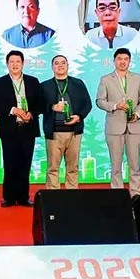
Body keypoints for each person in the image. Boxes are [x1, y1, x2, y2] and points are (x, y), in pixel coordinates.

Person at [0, 50, 44, 207]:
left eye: (18, 62)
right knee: (10, 163)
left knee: (25, 163)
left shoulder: (33, 81)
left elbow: (40, 103)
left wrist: (31, 113)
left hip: (28, 127)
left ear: (23, 63)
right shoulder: (0, 82)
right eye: (12, 62)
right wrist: (14, 110)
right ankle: (8, 197)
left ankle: (23, 197)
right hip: (9, 128)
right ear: (7, 64)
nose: (15, 64)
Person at [95, 47, 140, 200]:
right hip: (114, 128)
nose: (122, 62)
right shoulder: (106, 79)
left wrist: (137, 114)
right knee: (116, 165)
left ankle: (136, 195)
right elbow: (100, 101)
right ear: (114, 61)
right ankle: (117, 195)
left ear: (130, 61)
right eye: (119, 59)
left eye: (126, 59)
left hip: (134, 127)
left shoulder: (138, 78)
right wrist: (115, 106)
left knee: (135, 164)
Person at [40, 55, 92, 190]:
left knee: (73, 167)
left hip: (75, 132)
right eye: (56, 63)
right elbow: (38, 106)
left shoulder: (78, 84)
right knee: (52, 167)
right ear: (52, 67)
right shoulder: (44, 86)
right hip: (54, 133)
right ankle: (52, 196)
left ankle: (72, 195)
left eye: (63, 63)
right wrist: (52, 107)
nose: (60, 65)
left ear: (68, 65)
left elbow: (87, 104)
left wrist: (79, 117)